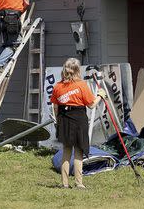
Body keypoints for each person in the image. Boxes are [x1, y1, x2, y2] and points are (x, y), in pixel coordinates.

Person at [50, 58, 106, 189]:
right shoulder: (81, 85)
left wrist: (59, 121)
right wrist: (101, 95)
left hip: (63, 118)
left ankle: (64, 183)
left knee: (66, 151)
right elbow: (91, 105)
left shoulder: (58, 86)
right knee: (79, 151)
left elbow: (55, 107)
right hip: (78, 118)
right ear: (77, 71)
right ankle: (79, 183)